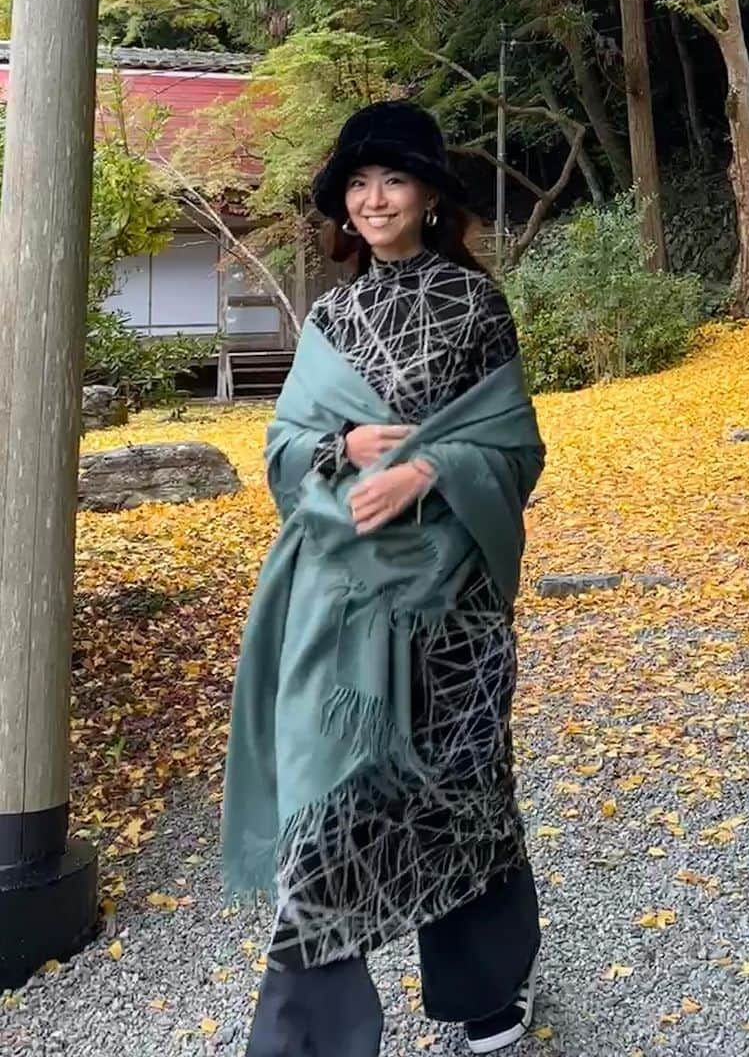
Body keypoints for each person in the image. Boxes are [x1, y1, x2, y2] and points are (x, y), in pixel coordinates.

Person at [222, 101, 545, 1057]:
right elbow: (284, 447)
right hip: (345, 601)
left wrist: (429, 469)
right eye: (358, 185)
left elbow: (515, 446)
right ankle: (309, 1035)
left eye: (392, 181)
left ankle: (486, 995)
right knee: (329, 809)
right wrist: (344, 444)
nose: (372, 200)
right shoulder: (332, 313)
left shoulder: (474, 304)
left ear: (431, 195)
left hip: (454, 604)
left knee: (464, 792)